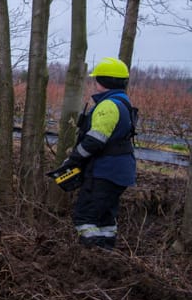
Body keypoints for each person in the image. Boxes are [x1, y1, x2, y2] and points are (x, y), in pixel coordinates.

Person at [57, 57, 137, 250]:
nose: (94, 83)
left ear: (103, 81)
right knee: (105, 219)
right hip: (120, 171)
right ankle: (107, 255)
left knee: (85, 218)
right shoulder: (123, 102)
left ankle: (92, 258)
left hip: (105, 171)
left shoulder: (108, 106)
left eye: (96, 79)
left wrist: (73, 160)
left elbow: (94, 141)